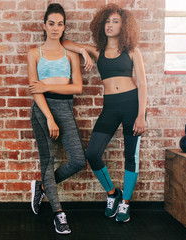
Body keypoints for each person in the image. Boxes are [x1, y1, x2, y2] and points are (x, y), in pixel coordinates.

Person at [63, 3, 147, 222]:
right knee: (92, 153)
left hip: (131, 105)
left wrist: (141, 115)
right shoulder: (97, 51)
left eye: (115, 21)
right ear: (102, 24)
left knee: (131, 156)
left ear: (124, 25)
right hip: (110, 106)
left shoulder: (131, 51)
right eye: (107, 21)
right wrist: (83, 50)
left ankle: (125, 204)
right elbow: (65, 43)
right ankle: (113, 193)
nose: (110, 25)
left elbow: (144, 84)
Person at [27, 3, 86, 234]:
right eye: (51, 23)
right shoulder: (34, 53)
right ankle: (58, 214)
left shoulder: (70, 53)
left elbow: (78, 88)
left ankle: (41, 186)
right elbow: (36, 90)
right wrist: (49, 118)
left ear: (64, 27)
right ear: (44, 25)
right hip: (42, 110)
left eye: (60, 24)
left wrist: (46, 85)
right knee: (48, 160)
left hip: (65, 107)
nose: (55, 28)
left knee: (78, 160)